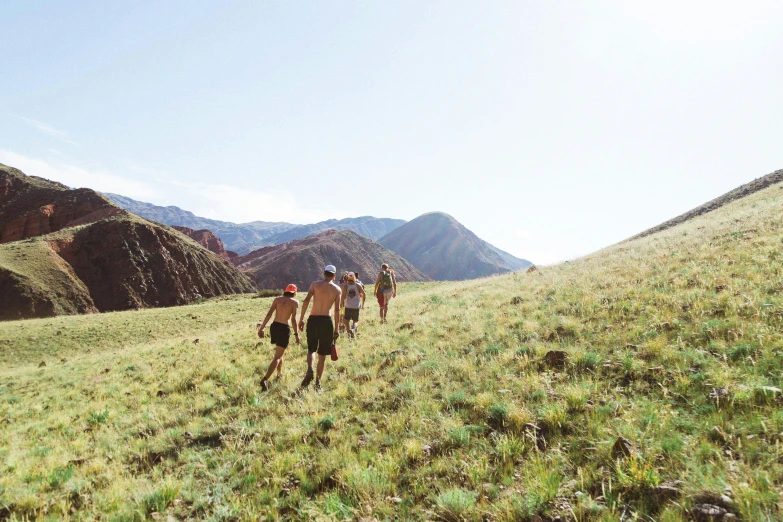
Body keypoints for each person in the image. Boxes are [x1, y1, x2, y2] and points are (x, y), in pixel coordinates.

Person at [298, 265, 342, 390]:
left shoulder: (314, 285)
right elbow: (337, 310)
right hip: (326, 322)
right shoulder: (337, 289)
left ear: (324, 274)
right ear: (334, 276)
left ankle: (310, 369)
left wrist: (301, 319)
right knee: (322, 354)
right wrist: (336, 329)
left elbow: (306, 301)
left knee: (311, 349)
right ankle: (318, 383)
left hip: (313, 319)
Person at [257, 284, 300, 390]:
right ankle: (265, 379)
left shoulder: (277, 299)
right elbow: (293, 320)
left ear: (285, 291)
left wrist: (261, 328)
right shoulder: (295, 302)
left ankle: (279, 374)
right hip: (284, 328)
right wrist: (296, 334)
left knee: (280, 352)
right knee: (277, 356)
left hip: (274, 327)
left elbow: (269, 314)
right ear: (294, 293)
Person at [341, 272, 366, 338]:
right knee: (355, 321)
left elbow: (342, 297)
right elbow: (364, 294)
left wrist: (342, 305)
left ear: (348, 278)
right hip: (356, 306)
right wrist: (363, 304)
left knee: (346, 320)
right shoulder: (358, 285)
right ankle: (353, 330)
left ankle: (349, 331)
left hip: (348, 306)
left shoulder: (345, 286)